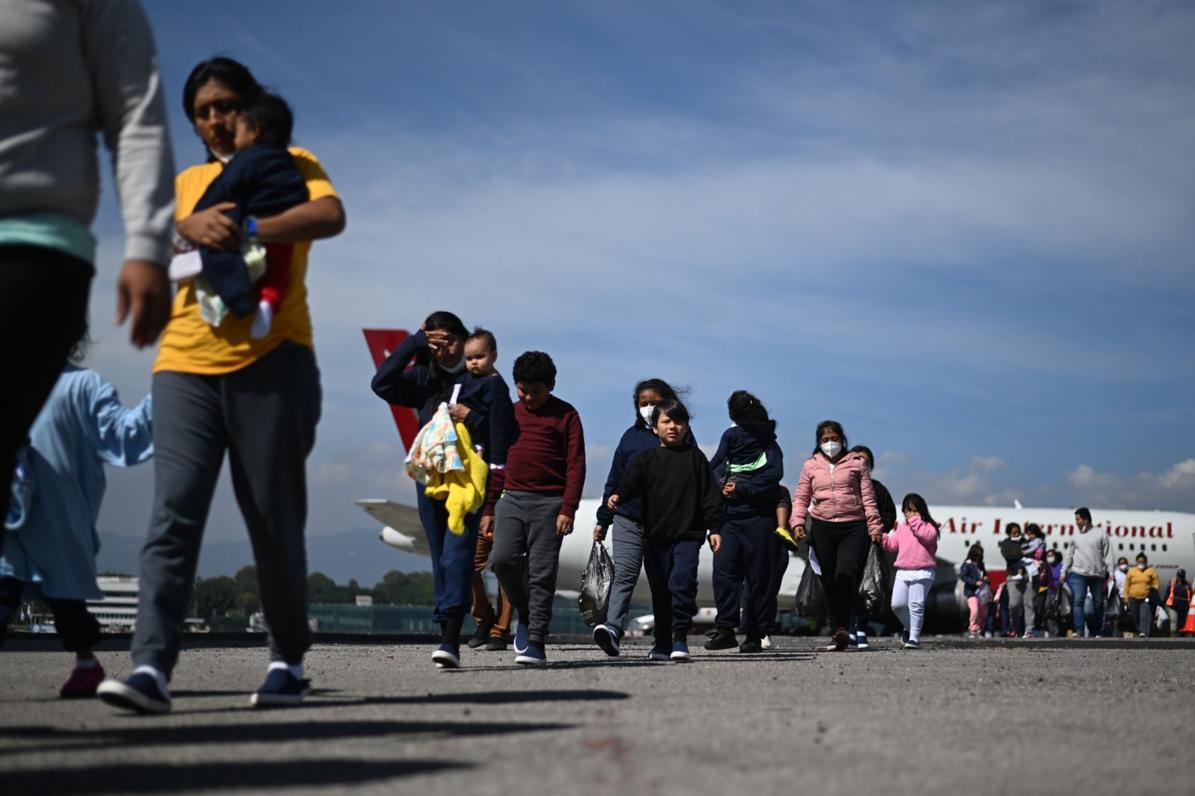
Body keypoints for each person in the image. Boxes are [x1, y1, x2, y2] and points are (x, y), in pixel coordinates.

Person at [97, 57, 346, 715]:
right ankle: (150, 668)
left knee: (272, 516)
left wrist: (249, 228)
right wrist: (187, 226)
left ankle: (286, 661)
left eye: (225, 105)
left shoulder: (292, 159)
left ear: (249, 108)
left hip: (273, 360)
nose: (214, 119)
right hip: (184, 362)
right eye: (202, 111)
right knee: (172, 512)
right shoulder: (184, 184)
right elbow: (152, 244)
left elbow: (329, 215)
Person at [0, 0, 174, 553]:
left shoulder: (84, 389)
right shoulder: (87, 388)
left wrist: (147, 244)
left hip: (31, 246)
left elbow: (136, 113)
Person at [0, 340, 152, 698]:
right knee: (23, 594)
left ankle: (87, 664)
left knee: (63, 603)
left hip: (51, 521)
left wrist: (164, 397)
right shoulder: (72, 385)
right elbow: (124, 435)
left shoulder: (80, 387)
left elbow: (123, 435)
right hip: (31, 523)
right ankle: (86, 665)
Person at [372, 312, 514, 668]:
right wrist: (413, 343)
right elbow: (381, 384)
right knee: (439, 555)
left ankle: (451, 639)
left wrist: (474, 418)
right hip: (431, 479)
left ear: (464, 340)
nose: (444, 349)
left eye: (449, 340)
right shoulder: (424, 377)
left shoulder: (483, 380)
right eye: (435, 343)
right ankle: (445, 634)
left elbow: (508, 432)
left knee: (458, 553)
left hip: (466, 481)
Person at [180, 92, 308, 339]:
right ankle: (268, 303)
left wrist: (198, 215)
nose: (233, 136)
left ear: (255, 130)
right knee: (279, 273)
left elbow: (222, 188)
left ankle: (233, 295)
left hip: (243, 223)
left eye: (238, 130)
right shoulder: (290, 162)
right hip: (281, 229)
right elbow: (299, 193)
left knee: (217, 244)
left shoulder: (246, 159)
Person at [488, 352, 585, 667]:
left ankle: (536, 642)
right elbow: (496, 462)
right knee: (502, 560)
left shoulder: (567, 415)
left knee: (542, 574)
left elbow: (576, 465)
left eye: (536, 392)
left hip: (550, 503)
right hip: (511, 499)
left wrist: (568, 508)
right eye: (522, 390)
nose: (528, 398)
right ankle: (526, 611)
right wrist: (489, 507)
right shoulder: (508, 413)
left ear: (551, 385)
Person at [608, 399, 722, 662]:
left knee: (681, 583)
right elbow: (630, 483)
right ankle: (662, 643)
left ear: (687, 427)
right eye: (666, 421)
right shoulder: (647, 459)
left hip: (688, 536)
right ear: (654, 428)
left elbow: (710, 497)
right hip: (655, 538)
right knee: (660, 592)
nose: (673, 426)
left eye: (678, 422)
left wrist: (715, 528)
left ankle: (680, 637)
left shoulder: (696, 458)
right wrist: (618, 495)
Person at [592, 379, 689, 657]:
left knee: (664, 582)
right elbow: (614, 480)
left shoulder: (678, 434)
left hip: (664, 522)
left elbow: (691, 475)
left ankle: (666, 639)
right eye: (643, 403)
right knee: (624, 574)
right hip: (628, 517)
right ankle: (612, 629)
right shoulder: (630, 437)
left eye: (654, 403)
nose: (648, 408)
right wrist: (603, 519)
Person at [790, 420, 882, 651]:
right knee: (829, 579)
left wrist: (874, 527)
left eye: (834, 439)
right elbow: (801, 497)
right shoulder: (811, 465)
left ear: (842, 440)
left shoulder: (857, 463)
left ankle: (845, 625)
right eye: (825, 439)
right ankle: (838, 630)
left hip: (853, 527)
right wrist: (797, 522)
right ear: (818, 442)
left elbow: (868, 498)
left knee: (845, 574)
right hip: (822, 527)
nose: (830, 443)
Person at [705, 391, 784, 654]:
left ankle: (754, 635)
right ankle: (726, 629)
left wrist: (742, 489)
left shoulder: (768, 444)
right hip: (729, 520)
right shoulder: (729, 440)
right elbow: (714, 468)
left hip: (760, 520)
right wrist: (719, 486)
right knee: (724, 573)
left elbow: (774, 475)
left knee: (759, 580)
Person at [458, 328, 515, 651]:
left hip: (496, 487)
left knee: (504, 563)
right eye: (468, 358)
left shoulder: (496, 388)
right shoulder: (464, 384)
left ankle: (500, 628)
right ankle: (483, 618)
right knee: (468, 562)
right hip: (471, 488)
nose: (473, 363)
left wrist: (472, 418)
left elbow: (500, 437)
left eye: (479, 356)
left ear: (494, 355)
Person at [847, 445, 897, 649]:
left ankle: (860, 627)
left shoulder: (878, 489)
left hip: (868, 546)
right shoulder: (842, 487)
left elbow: (889, 515)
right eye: (856, 459)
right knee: (846, 585)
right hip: (846, 544)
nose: (861, 463)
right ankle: (848, 627)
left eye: (865, 461)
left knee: (866, 588)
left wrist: (875, 529)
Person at [882, 494, 940, 649]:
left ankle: (914, 638)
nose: (911, 514)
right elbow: (892, 546)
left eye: (914, 511)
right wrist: (882, 537)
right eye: (907, 511)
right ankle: (909, 627)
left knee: (916, 604)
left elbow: (928, 537)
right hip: (903, 571)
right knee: (897, 605)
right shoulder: (902, 528)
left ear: (922, 510)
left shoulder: (930, 526)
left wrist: (915, 522)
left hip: (923, 571)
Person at [1060, 507, 1110, 638]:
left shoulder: (1100, 534)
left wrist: (1111, 572)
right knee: (1078, 601)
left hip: (1096, 574)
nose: (1076, 522)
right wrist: (1063, 571)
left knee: (1098, 603)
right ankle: (1079, 630)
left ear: (1086, 520)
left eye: (1078, 519)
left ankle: (1098, 631)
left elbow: (1108, 554)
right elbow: (1069, 555)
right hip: (1078, 573)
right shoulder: (1075, 536)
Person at [998, 523, 1033, 637]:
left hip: (1027, 576)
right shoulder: (1006, 543)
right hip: (1013, 576)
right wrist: (1021, 553)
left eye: (1018, 532)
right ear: (1009, 534)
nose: (1017, 534)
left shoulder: (1025, 541)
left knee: (1028, 604)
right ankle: (1015, 627)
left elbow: (1032, 553)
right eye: (1014, 533)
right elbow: (1008, 556)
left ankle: (1029, 630)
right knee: (1014, 604)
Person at [1122, 553, 1159, 638]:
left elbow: (1156, 584)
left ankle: (1144, 632)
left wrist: (1152, 593)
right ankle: (1139, 631)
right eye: (1139, 561)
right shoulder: (1131, 571)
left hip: (1145, 598)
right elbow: (1126, 585)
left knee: (1144, 616)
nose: (1141, 563)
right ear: (1136, 562)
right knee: (1135, 616)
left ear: (1146, 562)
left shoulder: (1151, 571)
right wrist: (1126, 597)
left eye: (1143, 562)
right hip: (1133, 598)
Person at [959, 543, 987, 638]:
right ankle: (973, 629)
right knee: (974, 610)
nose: (978, 559)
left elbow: (984, 573)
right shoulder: (967, 564)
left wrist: (986, 578)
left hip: (981, 592)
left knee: (983, 612)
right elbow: (963, 577)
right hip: (971, 592)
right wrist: (974, 582)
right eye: (977, 557)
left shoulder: (980, 564)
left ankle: (980, 629)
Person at [1164, 570, 1191, 637]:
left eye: (1181, 576)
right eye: (1179, 576)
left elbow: (1190, 595)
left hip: (1183, 606)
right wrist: (1163, 603)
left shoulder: (1187, 584)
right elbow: (1167, 594)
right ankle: (1173, 635)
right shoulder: (1172, 582)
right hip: (1172, 605)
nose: (1180, 578)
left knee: (1182, 622)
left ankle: (1182, 635)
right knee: (1174, 619)